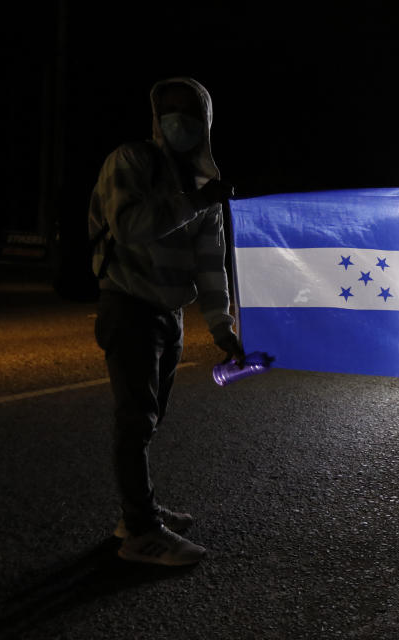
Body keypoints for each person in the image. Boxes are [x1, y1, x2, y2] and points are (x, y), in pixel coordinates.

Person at [89, 77, 244, 566]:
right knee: (134, 421)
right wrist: (199, 202)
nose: (179, 119)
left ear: (206, 123)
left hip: (167, 316)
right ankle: (140, 531)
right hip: (129, 306)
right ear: (155, 117)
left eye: (190, 111)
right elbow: (131, 227)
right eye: (169, 109)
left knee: (149, 420)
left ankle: (139, 511)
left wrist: (222, 327)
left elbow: (209, 262)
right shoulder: (132, 162)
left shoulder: (202, 184)